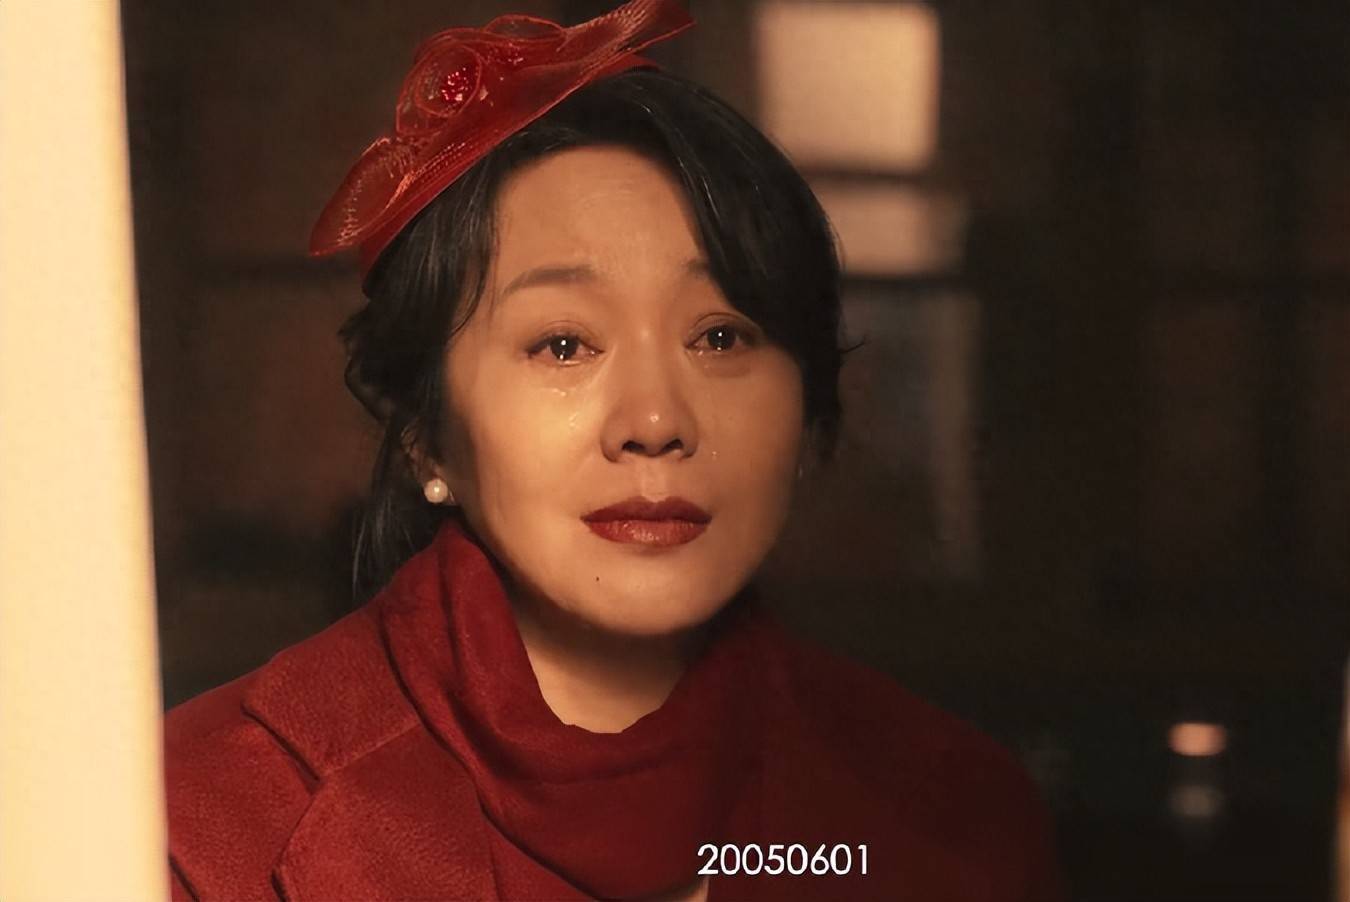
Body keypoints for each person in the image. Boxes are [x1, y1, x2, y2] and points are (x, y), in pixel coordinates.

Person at [163, 1, 1066, 899]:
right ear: (423, 435)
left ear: (807, 409)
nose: (656, 419)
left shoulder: (958, 822)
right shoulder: (197, 821)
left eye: (720, 337)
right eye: (563, 344)